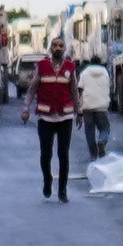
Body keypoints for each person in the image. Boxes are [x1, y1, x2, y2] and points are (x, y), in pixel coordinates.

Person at [30, 43, 82, 199]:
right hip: (45, 117)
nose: (58, 48)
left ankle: (62, 190)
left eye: (61, 46)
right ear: (50, 48)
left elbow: (74, 91)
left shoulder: (70, 67)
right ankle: (47, 179)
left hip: (65, 117)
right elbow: (32, 88)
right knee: (46, 154)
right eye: (55, 45)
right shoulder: (42, 66)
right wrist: (26, 108)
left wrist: (79, 111)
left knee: (63, 154)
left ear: (65, 49)